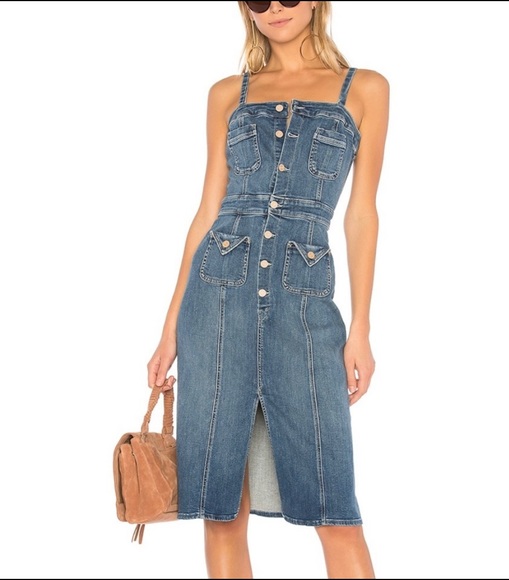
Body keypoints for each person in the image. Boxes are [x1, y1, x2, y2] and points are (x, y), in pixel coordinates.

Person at [147, 2, 389, 577]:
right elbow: (207, 212)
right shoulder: (226, 94)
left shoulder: (365, 88)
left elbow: (361, 214)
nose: (276, 7)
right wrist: (169, 330)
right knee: (221, 510)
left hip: (304, 308)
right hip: (216, 303)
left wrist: (361, 328)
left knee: (335, 509)